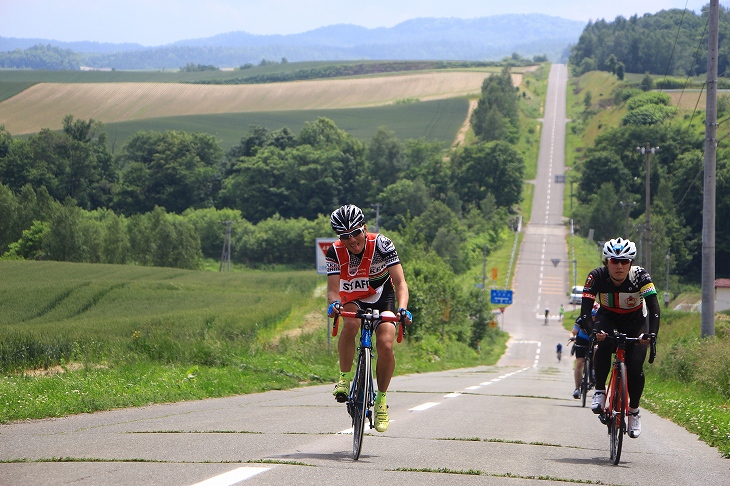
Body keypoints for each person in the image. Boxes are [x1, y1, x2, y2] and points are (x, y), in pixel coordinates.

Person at [326, 204, 412, 433]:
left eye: (355, 232)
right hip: (353, 297)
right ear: (339, 237)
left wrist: (402, 309)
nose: (352, 240)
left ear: (364, 228)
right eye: (345, 236)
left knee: (385, 344)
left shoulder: (382, 244)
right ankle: (344, 378)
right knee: (351, 323)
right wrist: (334, 303)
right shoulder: (334, 251)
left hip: (383, 296)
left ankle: (381, 400)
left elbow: (401, 282)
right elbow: (333, 289)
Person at [575, 237, 660, 438]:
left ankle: (634, 411)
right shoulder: (596, 277)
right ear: (606, 262)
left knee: (635, 367)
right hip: (608, 320)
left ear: (631, 263)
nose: (619, 266)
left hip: (636, 322)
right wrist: (593, 332)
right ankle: (599, 391)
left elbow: (655, 307)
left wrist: (652, 334)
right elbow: (586, 311)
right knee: (603, 345)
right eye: (614, 261)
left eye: (624, 261)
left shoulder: (641, 276)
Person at [570, 302, 597, 399]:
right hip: (582, 339)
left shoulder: (601, 320)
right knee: (579, 363)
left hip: (594, 340)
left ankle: (593, 376)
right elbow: (573, 333)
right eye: (592, 316)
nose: (593, 319)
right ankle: (577, 389)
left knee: (595, 355)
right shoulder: (581, 319)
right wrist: (572, 338)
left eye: (595, 316)